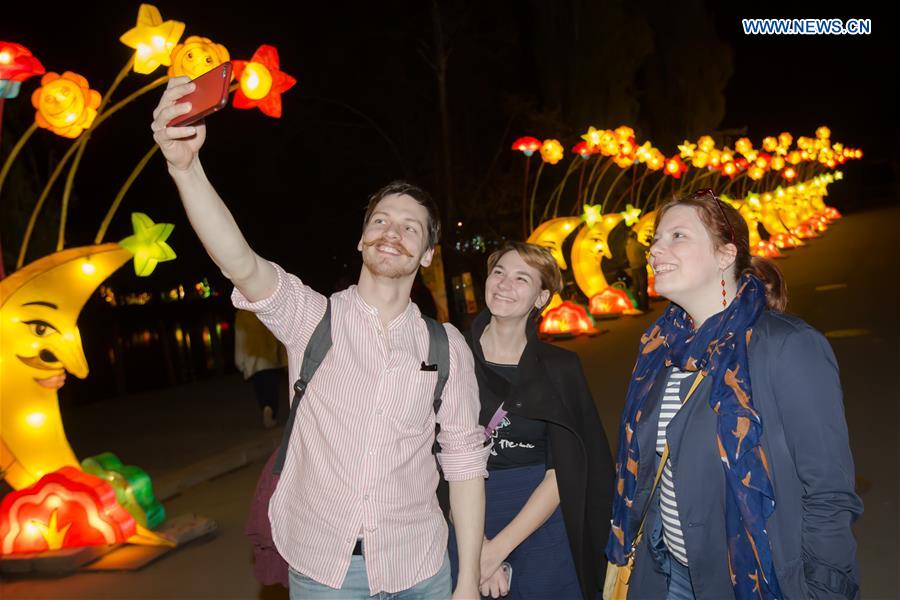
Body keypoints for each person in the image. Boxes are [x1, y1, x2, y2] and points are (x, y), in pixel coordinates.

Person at [152, 76, 489, 599]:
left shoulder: (445, 347)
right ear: (361, 240)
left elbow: (464, 464)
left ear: (426, 255)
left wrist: (466, 578)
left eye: (410, 227)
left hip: (420, 567)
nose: (391, 232)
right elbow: (240, 261)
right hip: (325, 570)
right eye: (380, 220)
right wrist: (185, 167)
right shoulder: (312, 318)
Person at [606, 189, 862, 599]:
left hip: (753, 581)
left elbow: (828, 491)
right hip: (666, 571)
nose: (655, 250)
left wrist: (825, 589)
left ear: (726, 255)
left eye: (677, 236)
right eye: (655, 239)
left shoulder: (786, 346)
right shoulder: (660, 346)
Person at [444, 241, 615, 599]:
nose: (505, 284)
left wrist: (493, 552)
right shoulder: (450, 354)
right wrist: (477, 548)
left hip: (539, 522)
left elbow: (566, 468)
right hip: (462, 514)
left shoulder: (561, 368)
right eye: (499, 272)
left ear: (541, 297)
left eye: (522, 278)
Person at [234, 309, 289, 429]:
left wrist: (240, 361)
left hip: (253, 359)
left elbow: (240, 338)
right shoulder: (267, 308)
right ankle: (271, 409)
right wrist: (285, 357)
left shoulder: (242, 314)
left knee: (260, 387)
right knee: (272, 386)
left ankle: (265, 406)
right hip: (271, 357)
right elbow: (280, 333)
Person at [625, 229, 649, 313]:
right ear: (635, 236)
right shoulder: (637, 245)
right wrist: (650, 242)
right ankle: (644, 307)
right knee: (643, 287)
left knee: (636, 287)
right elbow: (648, 249)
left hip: (633, 269)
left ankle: (638, 306)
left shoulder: (628, 246)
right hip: (641, 268)